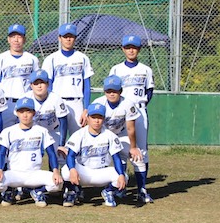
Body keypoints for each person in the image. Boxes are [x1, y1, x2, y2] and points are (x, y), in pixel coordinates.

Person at [0, 97, 62, 207]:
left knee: (58, 184)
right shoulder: (8, 131)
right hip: (14, 173)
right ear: (16, 113)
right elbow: (1, 153)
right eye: (21, 111)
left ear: (33, 113)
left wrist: (56, 171)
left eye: (28, 111)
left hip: (34, 174)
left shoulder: (41, 131)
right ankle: (10, 191)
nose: (25, 115)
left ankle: (37, 191)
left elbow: (51, 153)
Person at [109, 35, 155, 204]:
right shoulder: (116, 69)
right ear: (123, 49)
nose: (131, 50)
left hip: (139, 111)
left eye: (134, 47)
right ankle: (121, 187)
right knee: (119, 148)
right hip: (119, 112)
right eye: (127, 47)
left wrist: (138, 106)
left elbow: (149, 92)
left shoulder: (146, 69)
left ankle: (142, 189)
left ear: (139, 49)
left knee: (140, 150)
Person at [60, 103, 127, 208]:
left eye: (99, 117)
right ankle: (72, 192)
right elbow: (70, 156)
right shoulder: (79, 134)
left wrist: (121, 175)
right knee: (66, 170)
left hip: (101, 172)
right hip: (83, 172)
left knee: (124, 176)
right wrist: (73, 170)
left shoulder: (110, 135)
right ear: (87, 118)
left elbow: (116, 158)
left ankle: (108, 192)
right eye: (93, 117)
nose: (96, 121)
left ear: (104, 119)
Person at [92, 75, 145, 201]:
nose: (111, 94)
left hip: (121, 135)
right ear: (104, 92)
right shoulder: (99, 103)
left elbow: (131, 128)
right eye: (109, 91)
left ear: (120, 91)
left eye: (114, 91)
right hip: (103, 136)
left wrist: (133, 147)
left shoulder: (127, 104)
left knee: (138, 158)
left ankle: (142, 190)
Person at [41, 23, 94, 136]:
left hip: (77, 103)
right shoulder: (51, 59)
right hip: (58, 102)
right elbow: (48, 85)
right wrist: (50, 104)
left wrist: (86, 109)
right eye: (65, 36)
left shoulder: (83, 58)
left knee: (79, 139)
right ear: (59, 38)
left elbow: (87, 86)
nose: (68, 39)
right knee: (57, 139)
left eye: (71, 36)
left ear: (75, 38)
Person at [0, 23, 40, 127]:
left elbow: (36, 81)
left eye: (19, 36)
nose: (16, 40)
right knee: (6, 135)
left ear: (24, 39)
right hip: (6, 103)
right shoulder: (0, 59)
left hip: (26, 102)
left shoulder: (32, 59)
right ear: (8, 39)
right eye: (13, 37)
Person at [23, 69, 69, 154]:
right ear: (31, 85)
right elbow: (20, 121)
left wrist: (61, 144)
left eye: (42, 83)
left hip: (53, 130)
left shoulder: (55, 98)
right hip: (33, 132)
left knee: (59, 156)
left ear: (48, 84)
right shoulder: (26, 98)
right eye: (36, 83)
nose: (39, 86)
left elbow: (63, 121)